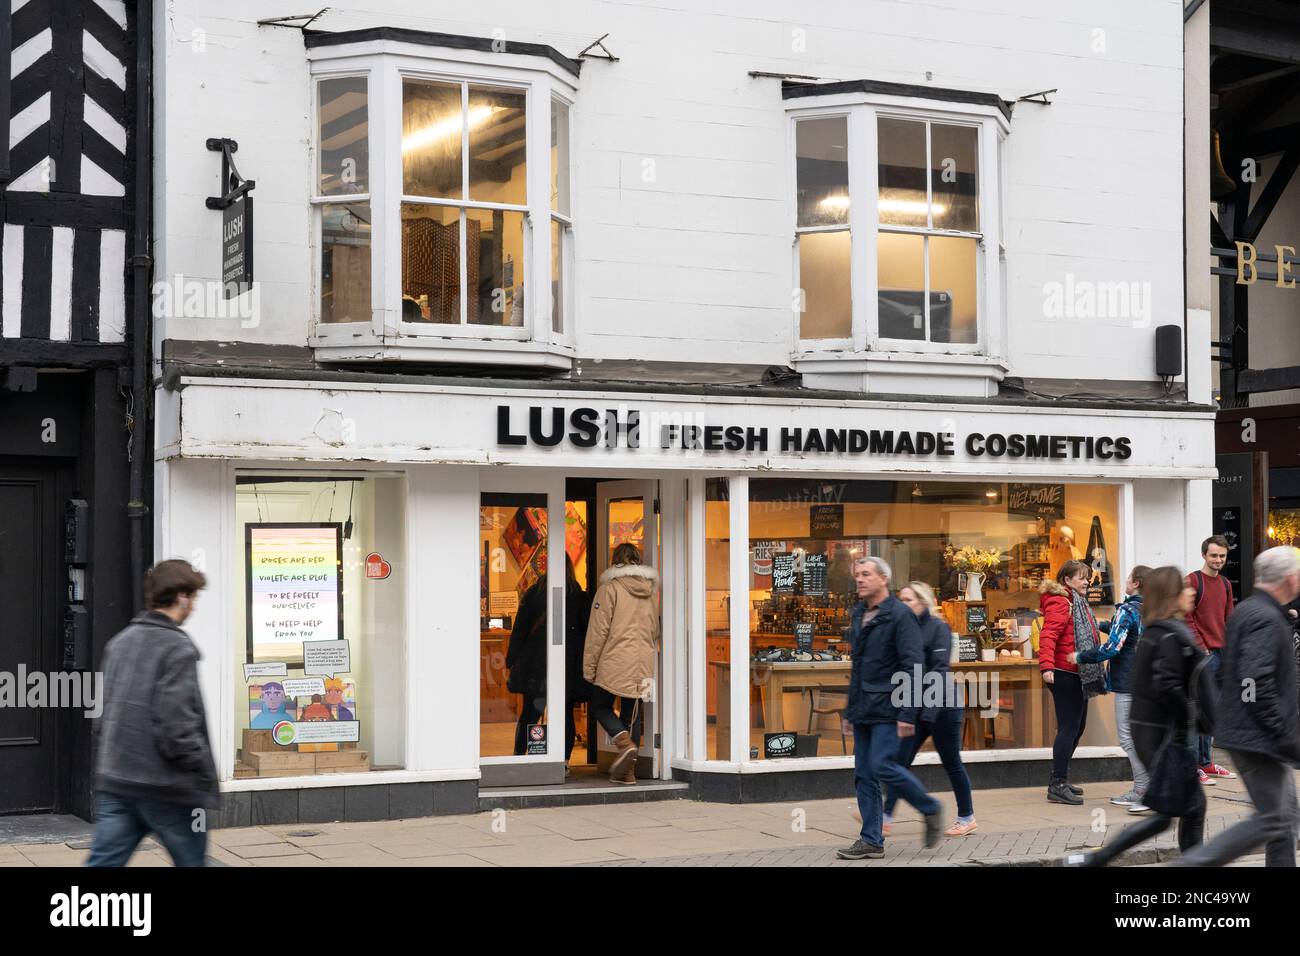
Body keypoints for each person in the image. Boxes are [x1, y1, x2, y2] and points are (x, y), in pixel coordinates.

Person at [1068, 566, 1214, 866]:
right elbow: (1168, 685)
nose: (1192, 592)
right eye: (1185, 587)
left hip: (1163, 737)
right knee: (1181, 811)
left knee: (1184, 810)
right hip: (1169, 739)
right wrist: (1192, 715)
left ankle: (1099, 859)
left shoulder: (1159, 629)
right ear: (1171, 595)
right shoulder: (1168, 634)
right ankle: (1098, 858)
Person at [87, 560, 217, 867]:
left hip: (117, 780)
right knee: (193, 862)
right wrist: (200, 769)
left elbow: (101, 718)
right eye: (193, 597)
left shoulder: (118, 643)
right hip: (167, 788)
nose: (194, 606)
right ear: (182, 597)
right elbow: (177, 727)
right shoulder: (177, 648)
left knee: (103, 864)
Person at [1176, 546, 1300, 867]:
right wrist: (1278, 731)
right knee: (1273, 818)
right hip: (1259, 739)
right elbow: (1252, 682)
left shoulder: (1251, 609)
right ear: (1290, 578)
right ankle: (1193, 863)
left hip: (1254, 734)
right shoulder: (1265, 617)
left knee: (1284, 821)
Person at [837, 556, 944, 860]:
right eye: (857, 574)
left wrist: (908, 713)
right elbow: (858, 667)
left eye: (866, 574)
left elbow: (914, 665)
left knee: (883, 765)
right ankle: (871, 840)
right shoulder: (859, 613)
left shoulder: (899, 615)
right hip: (863, 708)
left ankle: (930, 807)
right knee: (863, 774)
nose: (859, 579)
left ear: (883, 579)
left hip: (889, 706)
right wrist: (850, 710)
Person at [882, 582, 977, 837]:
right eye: (900, 600)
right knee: (900, 761)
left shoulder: (938, 628)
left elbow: (938, 669)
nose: (903, 604)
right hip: (915, 706)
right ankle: (885, 816)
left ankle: (967, 817)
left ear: (923, 602)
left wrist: (929, 713)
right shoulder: (904, 630)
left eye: (908, 600)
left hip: (942, 707)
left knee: (951, 763)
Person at [1071, 566, 1151, 810]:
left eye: (1128, 578)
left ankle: (1142, 788)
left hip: (1127, 683)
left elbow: (1114, 647)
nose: (1125, 581)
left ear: (1136, 583)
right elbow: (1126, 632)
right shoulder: (1148, 609)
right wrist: (1099, 624)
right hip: (1145, 682)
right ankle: (1146, 786)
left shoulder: (1128, 609)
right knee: (1141, 737)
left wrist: (1079, 657)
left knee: (1127, 739)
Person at [583, 542, 659, 785]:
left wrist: (589, 667)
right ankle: (628, 774)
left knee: (599, 706)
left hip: (615, 659)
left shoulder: (609, 589)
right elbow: (654, 629)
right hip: (643, 661)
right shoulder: (650, 592)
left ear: (615, 561)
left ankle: (624, 743)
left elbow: (598, 632)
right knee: (632, 713)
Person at [506, 557, 592, 762]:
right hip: (568, 664)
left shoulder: (534, 593)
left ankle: (519, 757)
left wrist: (512, 660)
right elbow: (588, 633)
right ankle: (564, 762)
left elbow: (520, 630)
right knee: (565, 714)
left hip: (536, 664)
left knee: (530, 712)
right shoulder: (579, 597)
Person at [1039, 559, 1107, 804]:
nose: (1086, 581)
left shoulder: (1078, 603)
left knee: (1077, 728)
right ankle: (1057, 784)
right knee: (1069, 728)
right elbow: (1048, 634)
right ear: (1067, 580)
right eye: (1081, 577)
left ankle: (1060, 778)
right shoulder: (1061, 602)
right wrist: (1046, 666)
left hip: (1077, 673)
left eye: (1087, 577)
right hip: (1064, 672)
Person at [1186, 535, 1237, 783]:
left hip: (1222, 653)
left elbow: (1229, 618)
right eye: (1214, 555)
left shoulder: (1226, 584)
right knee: (1198, 711)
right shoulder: (1193, 581)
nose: (1218, 560)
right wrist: (1201, 646)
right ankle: (1194, 765)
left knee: (1211, 711)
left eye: (1222, 556)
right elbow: (1185, 617)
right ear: (1204, 555)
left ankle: (1206, 763)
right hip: (1203, 656)